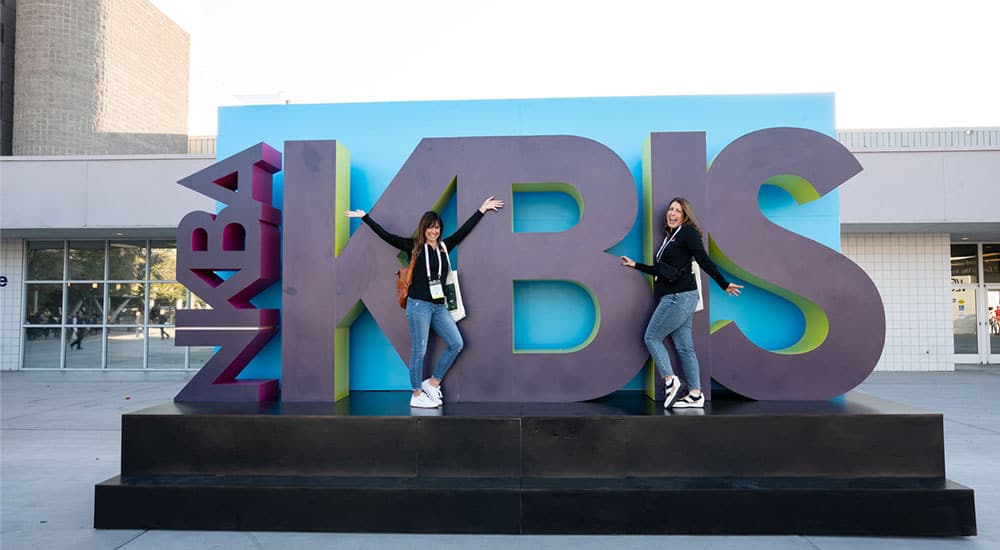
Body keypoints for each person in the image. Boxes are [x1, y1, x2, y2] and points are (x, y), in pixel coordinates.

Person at [345, 196, 504, 408]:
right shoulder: (414, 247)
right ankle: (416, 394)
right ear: (423, 229)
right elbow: (386, 236)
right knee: (419, 350)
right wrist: (365, 217)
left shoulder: (444, 247)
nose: (434, 231)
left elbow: (464, 231)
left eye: (437, 228)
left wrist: (481, 210)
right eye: (430, 228)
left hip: (438, 306)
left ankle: (432, 382)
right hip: (418, 305)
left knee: (456, 343)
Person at [620, 197, 743, 409]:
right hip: (680, 296)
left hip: (679, 297)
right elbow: (661, 270)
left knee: (651, 337)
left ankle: (670, 380)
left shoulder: (688, 233)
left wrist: (723, 284)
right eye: (670, 209)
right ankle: (695, 394)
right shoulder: (670, 239)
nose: (672, 213)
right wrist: (636, 265)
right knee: (685, 348)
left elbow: (704, 260)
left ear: (685, 215)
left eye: (677, 210)